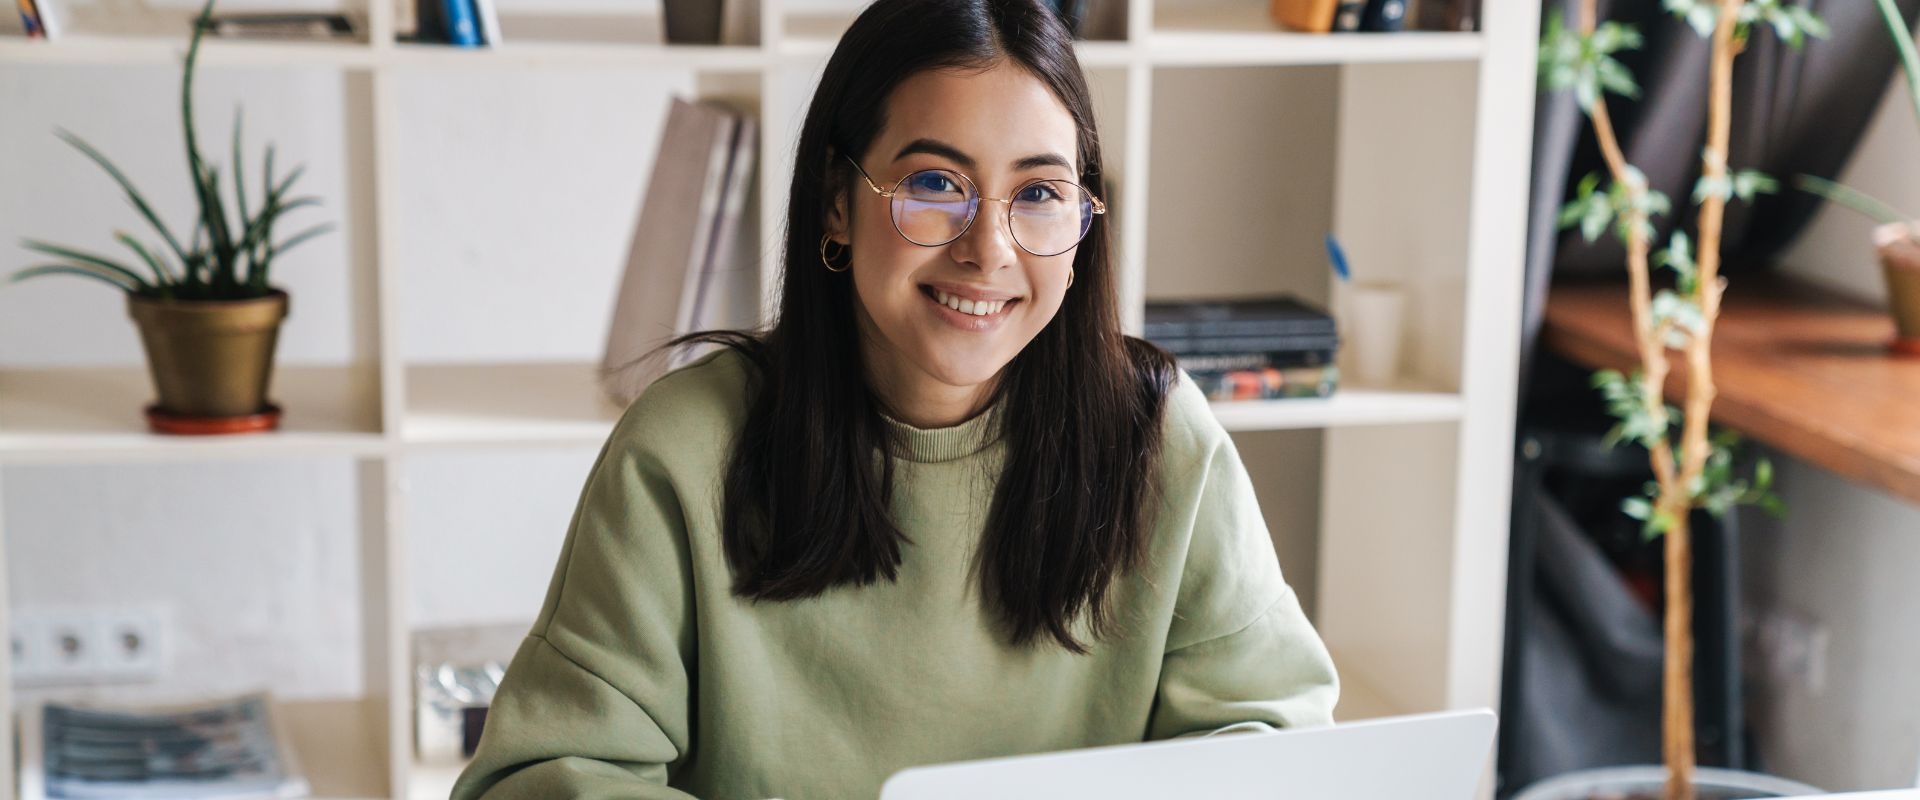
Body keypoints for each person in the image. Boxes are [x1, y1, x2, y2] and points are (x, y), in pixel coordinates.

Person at [449, 1, 1338, 797]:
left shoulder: (1160, 439)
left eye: (1038, 194)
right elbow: (545, 778)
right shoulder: (684, 451)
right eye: (935, 186)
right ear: (837, 204)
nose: (987, 251)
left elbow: (1273, 740)